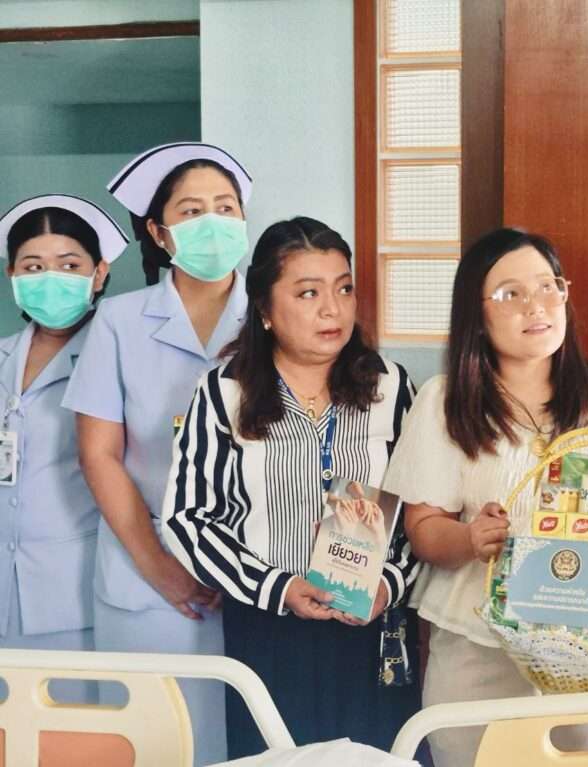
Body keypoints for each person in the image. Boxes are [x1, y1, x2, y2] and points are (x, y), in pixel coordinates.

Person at [383, 227, 588, 767]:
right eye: (511, 293)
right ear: (476, 312)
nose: (536, 305)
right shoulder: (446, 401)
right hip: (479, 647)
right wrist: (468, 538)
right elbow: (423, 528)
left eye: (548, 286)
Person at [163, 217, 420, 758]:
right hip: (268, 629)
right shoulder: (224, 393)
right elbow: (189, 518)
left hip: (371, 625)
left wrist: (388, 586)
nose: (333, 310)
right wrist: (276, 588)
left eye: (344, 288)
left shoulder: (391, 386)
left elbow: (424, 513)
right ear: (264, 308)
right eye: (308, 293)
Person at [62, 142, 254, 766]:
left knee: (252, 744)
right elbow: (99, 455)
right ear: (159, 232)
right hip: (148, 571)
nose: (212, 222)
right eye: (192, 211)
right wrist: (160, 565)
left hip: (258, 570)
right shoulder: (119, 322)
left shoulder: (274, 317)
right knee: (151, 744)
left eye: (225, 207)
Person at [0, 195, 127, 701]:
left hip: (73, 596)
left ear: (98, 274)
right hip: (3, 591)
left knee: (73, 726)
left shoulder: (117, 353)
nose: (50, 279)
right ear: (12, 275)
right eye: (33, 266)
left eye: (69, 265)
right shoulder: (3, 356)